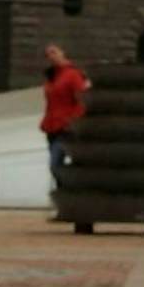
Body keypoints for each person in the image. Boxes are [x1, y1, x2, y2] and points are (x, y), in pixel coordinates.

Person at [37, 45, 89, 195]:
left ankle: (70, 192)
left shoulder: (72, 75)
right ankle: (65, 196)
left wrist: (72, 121)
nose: (51, 56)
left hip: (65, 128)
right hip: (52, 127)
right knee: (57, 164)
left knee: (55, 164)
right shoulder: (51, 77)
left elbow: (81, 101)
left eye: (54, 52)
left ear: (62, 53)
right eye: (48, 55)